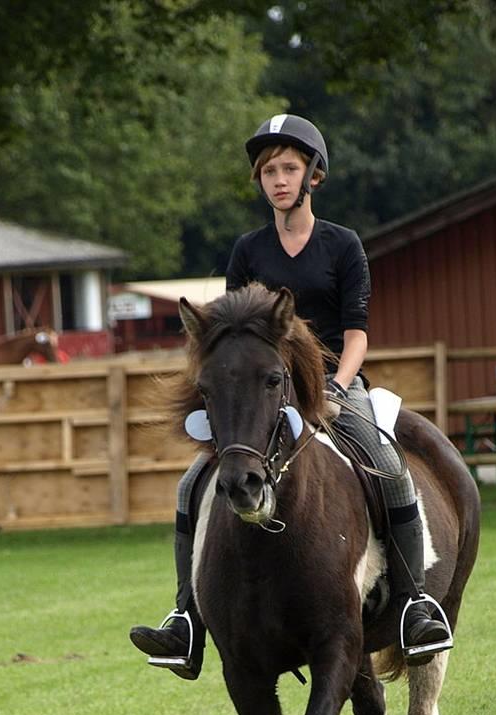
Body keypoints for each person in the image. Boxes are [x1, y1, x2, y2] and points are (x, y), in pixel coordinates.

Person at [130, 114, 450, 679]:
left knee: (388, 465)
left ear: (313, 177)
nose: (277, 180)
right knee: (190, 486)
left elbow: (357, 334)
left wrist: (336, 386)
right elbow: (226, 337)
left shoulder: (343, 245)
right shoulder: (247, 251)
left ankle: (414, 602)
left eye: (288, 169)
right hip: (262, 399)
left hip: (333, 387)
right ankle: (185, 619)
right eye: (268, 172)